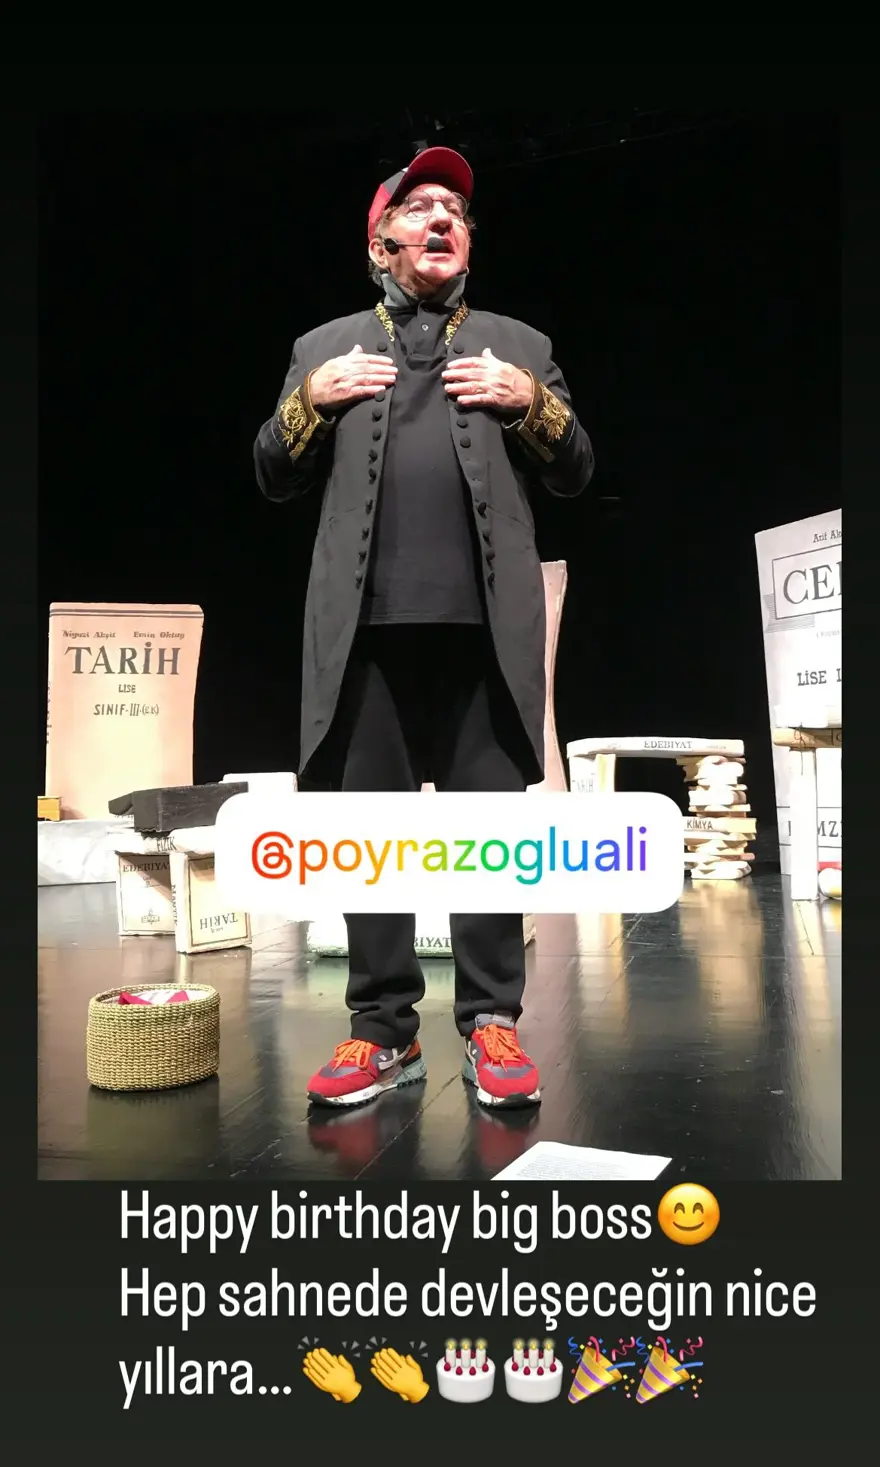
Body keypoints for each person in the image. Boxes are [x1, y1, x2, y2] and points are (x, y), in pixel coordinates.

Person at [254, 146, 594, 1112]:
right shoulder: (322, 347)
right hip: (365, 638)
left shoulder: (517, 345)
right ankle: (381, 1030)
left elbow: (576, 469)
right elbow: (271, 473)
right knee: (373, 836)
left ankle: (491, 1021)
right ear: (381, 243)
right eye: (420, 206)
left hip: (483, 635)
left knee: (488, 834)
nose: (443, 217)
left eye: (456, 209)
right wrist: (308, 404)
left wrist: (531, 405)